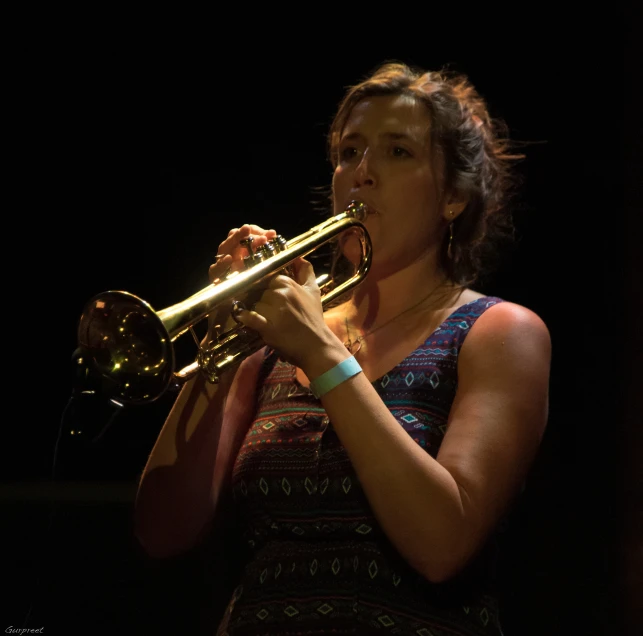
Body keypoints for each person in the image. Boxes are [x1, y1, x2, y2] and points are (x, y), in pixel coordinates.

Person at [133, 62, 552, 635]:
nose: (363, 173)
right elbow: (162, 530)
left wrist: (323, 353)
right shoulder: (276, 336)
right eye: (349, 152)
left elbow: (442, 542)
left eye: (397, 153)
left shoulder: (499, 332)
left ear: (454, 197)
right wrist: (219, 342)